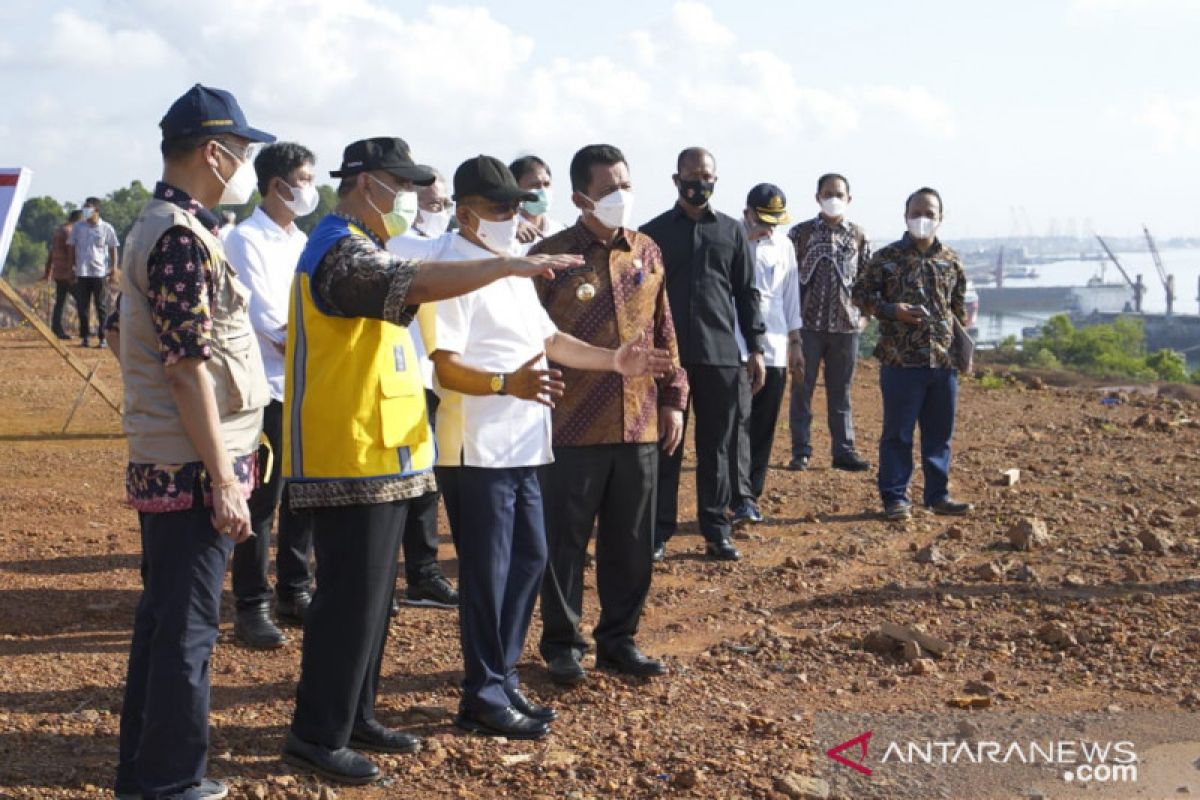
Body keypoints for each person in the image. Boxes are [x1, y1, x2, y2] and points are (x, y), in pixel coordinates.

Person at [280, 140, 587, 785]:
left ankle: (356, 716)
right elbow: (417, 283)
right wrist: (505, 266)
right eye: (402, 185)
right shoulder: (339, 249)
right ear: (365, 184)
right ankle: (317, 734)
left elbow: (419, 280)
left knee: (374, 600)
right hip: (348, 447)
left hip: (385, 445)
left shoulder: (370, 244)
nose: (413, 200)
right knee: (348, 599)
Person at [430, 155, 672, 741]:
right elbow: (443, 368)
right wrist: (503, 384)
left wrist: (615, 361)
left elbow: (551, 340)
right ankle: (482, 693)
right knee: (488, 577)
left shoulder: (510, 267)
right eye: (498, 208)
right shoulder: (451, 270)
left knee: (530, 561)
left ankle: (502, 679)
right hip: (478, 450)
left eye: (517, 206)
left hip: (524, 445)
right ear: (465, 213)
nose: (512, 216)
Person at [113, 83, 275, 800]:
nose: (245, 165)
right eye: (242, 152)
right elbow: (187, 372)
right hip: (189, 466)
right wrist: (224, 478)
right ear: (215, 152)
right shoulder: (182, 239)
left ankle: (145, 773)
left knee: (164, 623)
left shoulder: (165, 226)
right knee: (187, 631)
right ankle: (172, 779)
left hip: (175, 460)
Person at [530, 144, 688, 687]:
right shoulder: (552, 259)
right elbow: (532, 339)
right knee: (564, 543)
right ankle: (562, 644)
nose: (622, 195)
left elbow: (664, 330)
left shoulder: (647, 251)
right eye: (609, 189)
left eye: (626, 183)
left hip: (640, 419)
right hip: (570, 424)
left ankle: (619, 640)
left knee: (631, 541)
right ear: (580, 198)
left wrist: (674, 399)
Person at [640, 147, 766, 562]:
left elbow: (747, 294)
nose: (700, 183)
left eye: (706, 175)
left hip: (719, 356)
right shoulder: (652, 234)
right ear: (676, 180)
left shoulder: (731, 232)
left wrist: (757, 348)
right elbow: (640, 299)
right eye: (691, 176)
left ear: (716, 179)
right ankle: (658, 531)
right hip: (666, 359)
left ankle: (717, 529)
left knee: (717, 446)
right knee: (666, 443)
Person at [222, 142, 319, 648]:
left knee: (302, 495)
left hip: (306, 384)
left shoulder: (301, 238)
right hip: (267, 388)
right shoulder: (245, 240)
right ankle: (251, 603)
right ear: (277, 184)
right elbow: (266, 319)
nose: (310, 187)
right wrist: (317, 348)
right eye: (304, 178)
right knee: (262, 499)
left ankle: (294, 588)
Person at [851, 187, 974, 521]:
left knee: (939, 435)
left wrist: (963, 345)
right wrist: (891, 310)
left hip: (942, 362)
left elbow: (959, 307)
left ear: (941, 218)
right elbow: (860, 294)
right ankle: (895, 498)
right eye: (917, 212)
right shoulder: (886, 258)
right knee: (898, 434)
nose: (923, 219)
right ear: (905, 215)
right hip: (900, 361)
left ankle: (938, 495)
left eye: (930, 213)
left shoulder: (950, 260)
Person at [381, 168, 460, 612]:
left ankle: (423, 573)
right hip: (398, 379)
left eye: (446, 205)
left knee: (426, 481)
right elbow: (440, 251)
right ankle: (389, 577)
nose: (441, 214)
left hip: (433, 377)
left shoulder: (436, 242)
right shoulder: (397, 242)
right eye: (433, 205)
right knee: (396, 481)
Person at [787, 173, 872, 472]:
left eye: (839, 193)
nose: (833, 198)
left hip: (846, 329)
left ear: (849, 199)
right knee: (801, 389)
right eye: (828, 193)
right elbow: (787, 280)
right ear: (817, 197)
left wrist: (865, 318)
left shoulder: (860, 236)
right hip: (806, 326)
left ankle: (844, 451)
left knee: (841, 393)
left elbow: (868, 282)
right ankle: (801, 451)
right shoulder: (800, 234)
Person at [729, 184, 802, 526]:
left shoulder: (783, 247)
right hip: (735, 346)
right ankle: (732, 495)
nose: (769, 227)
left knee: (762, 426)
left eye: (776, 221)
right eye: (764, 219)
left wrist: (795, 342)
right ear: (748, 213)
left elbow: (790, 299)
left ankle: (750, 497)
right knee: (734, 424)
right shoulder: (730, 239)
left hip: (774, 348)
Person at [68, 196, 119, 348]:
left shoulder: (106, 228)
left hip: (99, 272)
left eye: (88, 208)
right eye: (84, 207)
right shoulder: (78, 228)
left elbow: (113, 248)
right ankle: (85, 337)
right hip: (82, 271)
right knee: (82, 306)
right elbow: (71, 247)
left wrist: (114, 267)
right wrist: (72, 267)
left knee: (101, 306)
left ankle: (103, 337)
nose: (85, 211)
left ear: (96, 210)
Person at [44, 209, 82, 339]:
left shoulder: (58, 231)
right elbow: (73, 252)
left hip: (58, 272)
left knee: (60, 301)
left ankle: (56, 329)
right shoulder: (70, 232)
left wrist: (48, 270)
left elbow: (52, 252)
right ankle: (84, 330)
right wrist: (73, 270)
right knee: (82, 300)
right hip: (68, 272)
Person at [511, 155, 566, 245]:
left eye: (547, 184)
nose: (543, 191)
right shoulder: (509, 232)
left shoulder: (561, 231)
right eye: (535, 185)